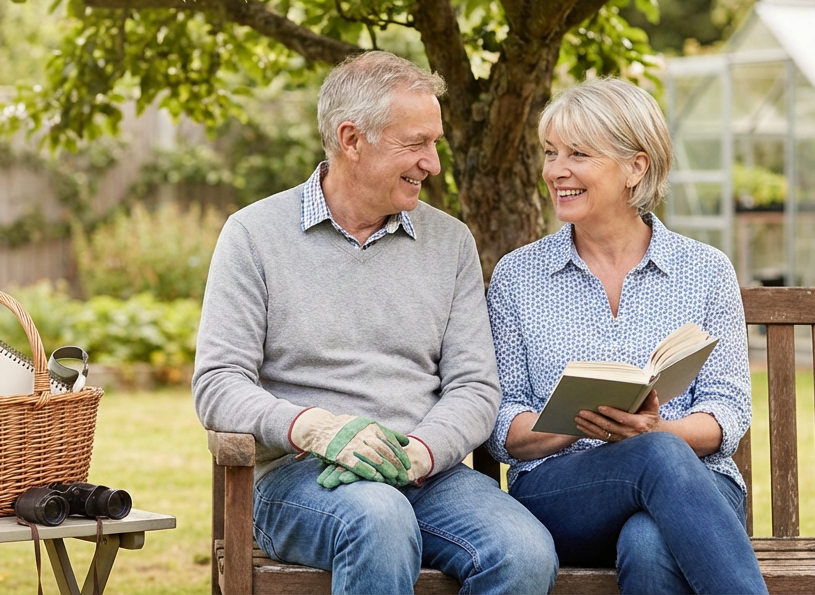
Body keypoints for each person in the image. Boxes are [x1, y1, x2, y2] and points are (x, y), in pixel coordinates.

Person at [192, 50, 558, 594]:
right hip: (301, 475)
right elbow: (218, 385)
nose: (433, 163)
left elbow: (475, 386)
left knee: (525, 552)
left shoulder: (450, 242)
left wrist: (421, 453)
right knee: (379, 518)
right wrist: (319, 428)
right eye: (415, 144)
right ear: (351, 139)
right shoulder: (253, 235)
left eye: (434, 143)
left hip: (425, 471)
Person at [485, 77, 767, 594]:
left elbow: (727, 413)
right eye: (550, 153)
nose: (556, 171)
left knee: (648, 542)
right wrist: (578, 421)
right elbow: (501, 423)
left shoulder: (705, 270)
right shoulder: (517, 276)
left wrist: (650, 433)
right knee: (655, 456)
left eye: (578, 153)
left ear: (636, 167)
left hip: (697, 491)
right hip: (563, 493)